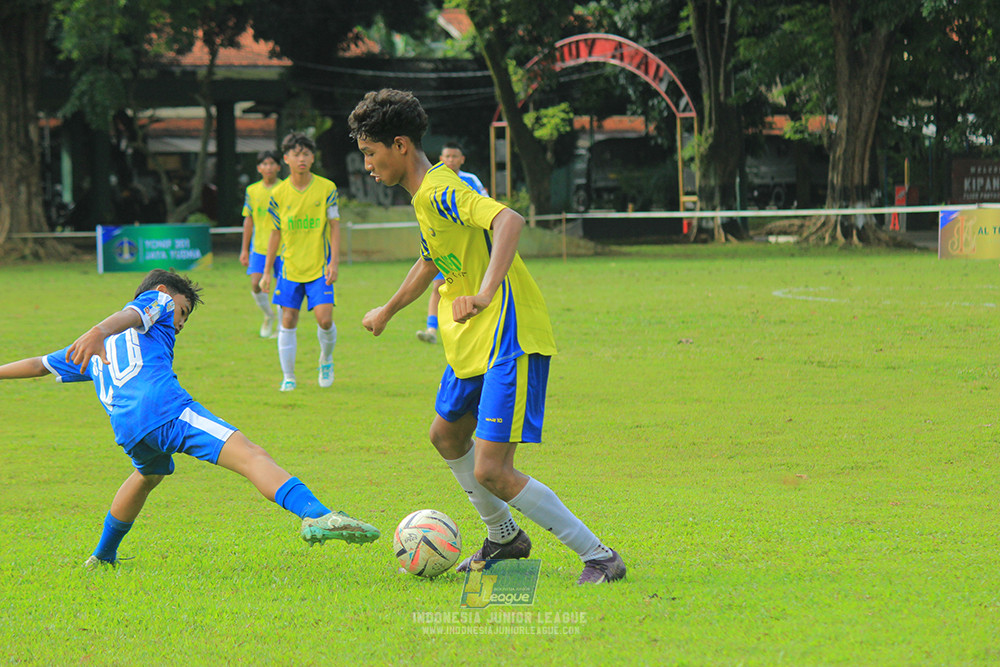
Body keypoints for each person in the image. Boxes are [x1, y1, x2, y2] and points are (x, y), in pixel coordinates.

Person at [348, 89, 626, 585]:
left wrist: (484, 292)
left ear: (400, 145)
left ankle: (600, 556)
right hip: (471, 341)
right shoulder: (424, 197)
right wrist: (388, 310)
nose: (367, 165)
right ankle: (504, 536)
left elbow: (508, 220)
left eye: (370, 153)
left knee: (492, 470)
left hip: (506, 336)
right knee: (446, 435)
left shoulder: (441, 189)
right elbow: (431, 259)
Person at [0, 269, 379, 570]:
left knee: (148, 475)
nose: (180, 323)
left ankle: (102, 556)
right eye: (183, 312)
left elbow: (38, 365)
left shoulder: (96, 346)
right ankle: (317, 515)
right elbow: (132, 313)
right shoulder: (157, 301)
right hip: (164, 409)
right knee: (250, 455)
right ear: (164, 293)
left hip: (127, 428)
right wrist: (99, 329)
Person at [260, 132, 340, 392]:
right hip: (290, 268)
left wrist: (334, 262)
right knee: (288, 320)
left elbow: (334, 226)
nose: (301, 159)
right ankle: (289, 377)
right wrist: (266, 272)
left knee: (324, 320)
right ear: (286, 159)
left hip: (319, 267)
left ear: (313, 158)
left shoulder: (327, 188)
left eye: (306, 154)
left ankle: (326, 359)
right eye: (296, 154)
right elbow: (275, 233)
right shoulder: (278, 194)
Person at [416, 142, 489, 346]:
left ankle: (474, 330)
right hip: (443, 246)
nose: (451, 160)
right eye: (447, 156)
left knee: (470, 287)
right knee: (437, 286)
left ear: (462, 159)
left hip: (467, 246)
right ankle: (431, 329)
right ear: (441, 159)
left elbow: (485, 204)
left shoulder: (470, 180)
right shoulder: (433, 182)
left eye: (454, 156)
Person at [239, 150, 283, 338]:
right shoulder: (252, 190)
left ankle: (282, 327)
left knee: (281, 288)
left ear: (278, 167)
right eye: (264, 164)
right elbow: (248, 220)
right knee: (256, 284)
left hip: (283, 248)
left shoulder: (285, 188)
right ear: (258, 168)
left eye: (272, 163)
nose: (268, 167)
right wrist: (244, 250)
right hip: (259, 248)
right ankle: (268, 315)